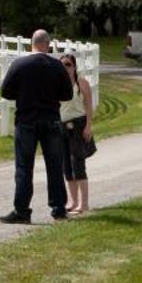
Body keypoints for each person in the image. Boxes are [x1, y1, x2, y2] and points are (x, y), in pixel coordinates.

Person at [0, 29, 73, 224]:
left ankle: (22, 210)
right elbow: (67, 95)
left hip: (26, 120)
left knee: (24, 167)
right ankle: (58, 209)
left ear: (31, 44)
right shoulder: (57, 66)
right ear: (47, 45)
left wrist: (24, 94)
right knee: (55, 166)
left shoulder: (19, 65)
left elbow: (6, 92)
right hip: (51, 120)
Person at [58, 51, 94, 215]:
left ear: (74, 67)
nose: (65, 68)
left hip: (79, 126)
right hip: (62, 127)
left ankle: (84, 204)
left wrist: (88, 126)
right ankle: (72, 202)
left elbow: (88, 106)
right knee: (67, 167)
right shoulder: (57, 85)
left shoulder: (82, 83)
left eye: (68, 65)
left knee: (78, 165)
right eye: (62, 65)